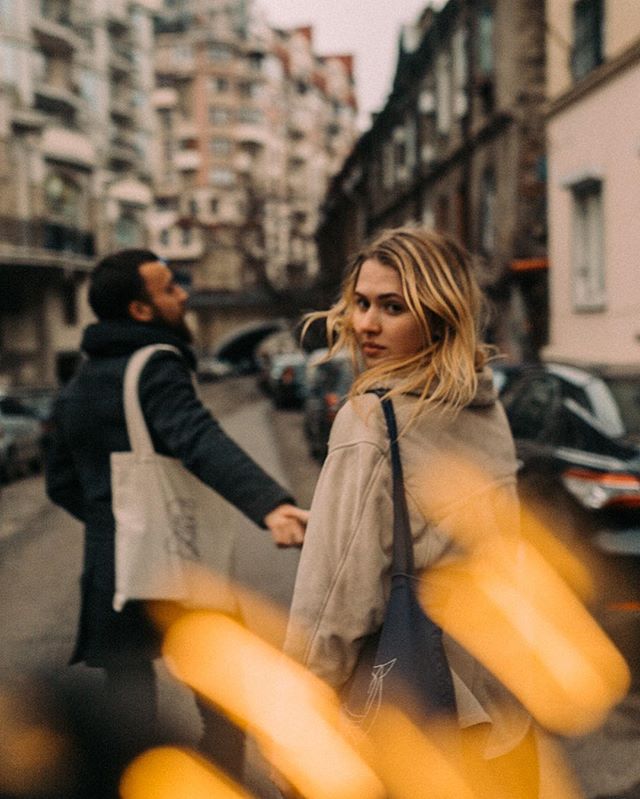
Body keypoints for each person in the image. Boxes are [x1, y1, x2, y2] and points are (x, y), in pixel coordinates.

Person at [283, 227, 538, 798]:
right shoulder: (485, 407)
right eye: (362, 302)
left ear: (439, 318)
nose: (366, 324)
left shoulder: (374, 422)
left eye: (393, 307)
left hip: (412, 725)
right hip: (497, 714)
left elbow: (332, 605)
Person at [45, 249, 308, 782]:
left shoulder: (79, 384)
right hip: (176, 562)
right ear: (141, 311)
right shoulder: (157, 365)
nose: (183, 294)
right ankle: (220, 784)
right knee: (222, 692)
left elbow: (60, 483)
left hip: (112, 571)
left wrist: (117, 521)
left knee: (129, 708)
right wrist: (270, 504)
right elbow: (197, 438)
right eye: (169, 289)